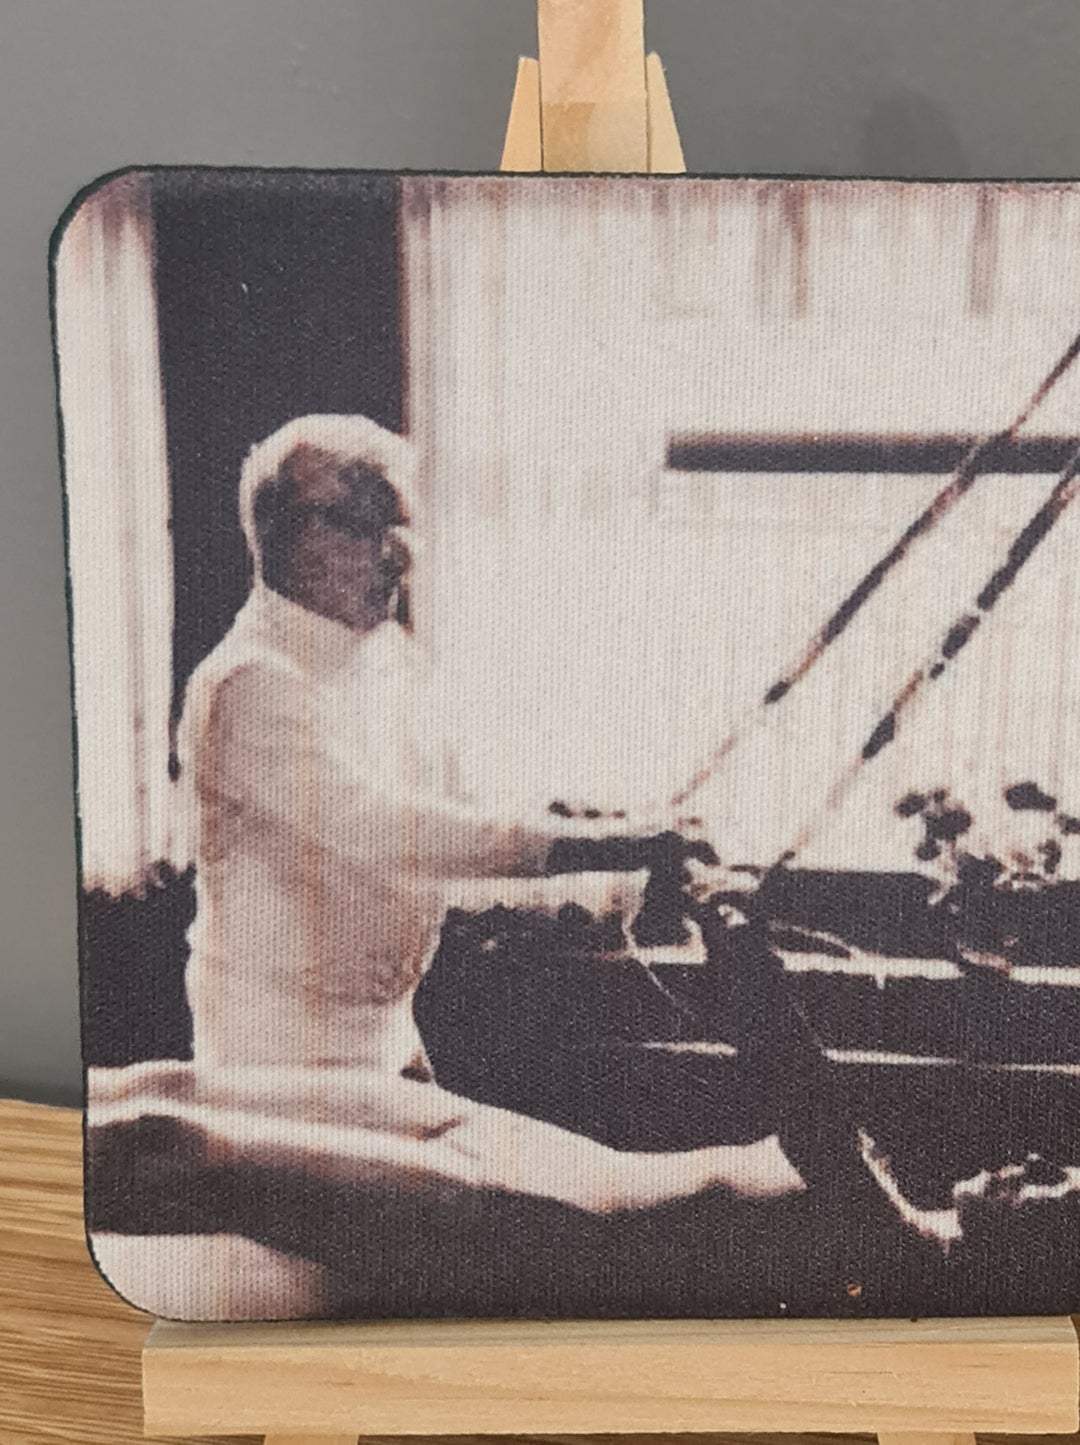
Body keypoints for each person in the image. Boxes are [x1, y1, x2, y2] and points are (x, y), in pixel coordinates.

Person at [161, 413, 803, 1219]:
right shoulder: (250, 684)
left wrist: (609, 863)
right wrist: (608, 843)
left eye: (403, 526)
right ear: (291, 535)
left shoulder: (390, 664)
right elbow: (396, 833)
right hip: (277, 1053)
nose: (400, 555)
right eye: (368, 525)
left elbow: (464, 822)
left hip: (388, 1035)